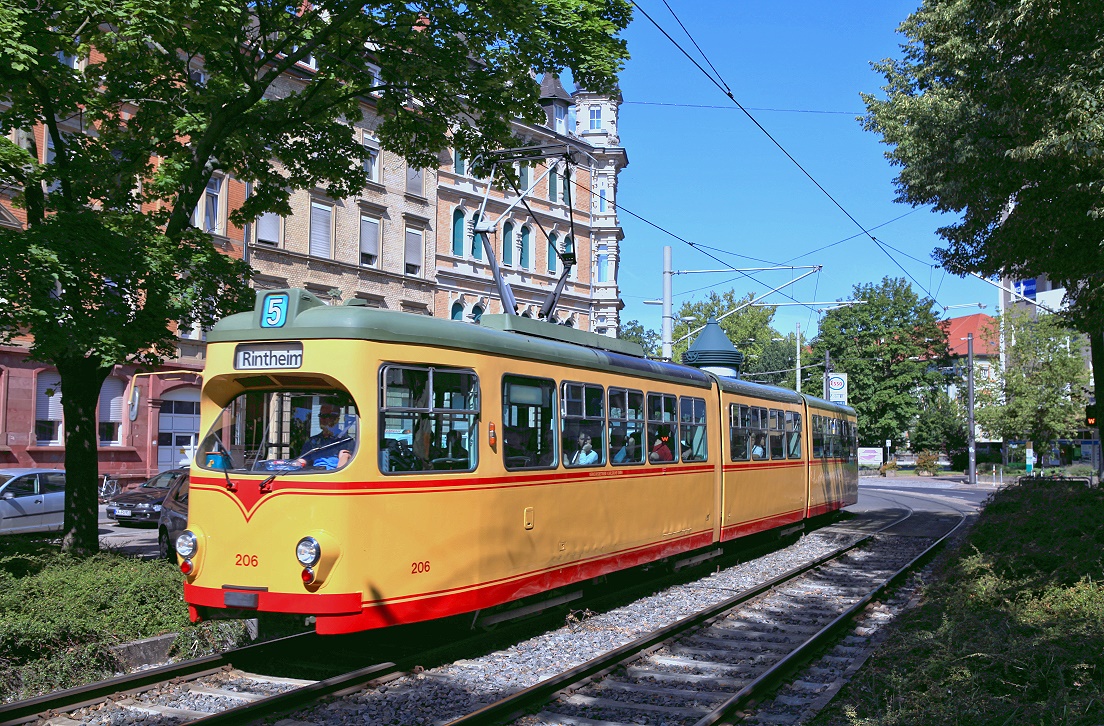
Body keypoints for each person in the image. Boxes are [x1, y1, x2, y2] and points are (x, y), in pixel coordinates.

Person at [296, 404, 352, 469]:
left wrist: (344, 458)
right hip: (315, 475)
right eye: (322, 416)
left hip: (334, 475)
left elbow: (346, 464)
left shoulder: (346, 441)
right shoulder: (313, 441)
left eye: (329, 416)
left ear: (337, 419)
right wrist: (290, 465)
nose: (324, 419)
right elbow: (303, 461)